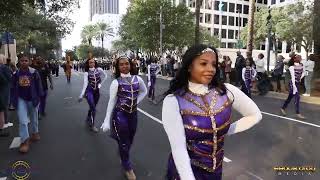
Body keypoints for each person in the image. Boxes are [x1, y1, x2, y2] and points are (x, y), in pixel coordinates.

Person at [162, 44, 262, 180]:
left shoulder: (227, 91)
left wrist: (227, 130)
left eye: (214, 64)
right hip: (184, 172)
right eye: (203, 63)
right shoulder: (173, 101)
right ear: (189, 67)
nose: (210, 69)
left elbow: (255, 115)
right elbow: (178, 149)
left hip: (216, 172)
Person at [101, 56, 147, 180]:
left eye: (126, 64)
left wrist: (136, 101)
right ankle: (127, 167)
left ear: (130, 65)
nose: (124, 66)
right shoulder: (116, 82)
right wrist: (106, 120)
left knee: (130, 139)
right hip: (120, 115)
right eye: (121, 64)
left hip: (133, 114)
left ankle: (123, 152)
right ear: (118, 67)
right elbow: (111, 101)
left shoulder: (138, 79)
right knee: (125, 142)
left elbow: (144, 91)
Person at [12, 54, 44, 153]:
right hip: (21, 99)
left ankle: (35, 132)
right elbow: (12, 88)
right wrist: (12, 100)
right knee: (23, 121)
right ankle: (25, 141)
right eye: (22, 61)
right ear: (19, 62)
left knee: (34, 117)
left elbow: (39, 86)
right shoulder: (16, 73)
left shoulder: (34, 72)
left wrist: (40, 97)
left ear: (29, 62)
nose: (24, 62)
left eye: (26, 60)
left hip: (33, 99)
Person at [78, 54, 107, 132]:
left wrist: (101, 84)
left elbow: (105, 76)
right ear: (88, 64)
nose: (92, 64)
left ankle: (88, 117)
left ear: (95, 63)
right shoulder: (86, 73)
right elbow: (85, 84)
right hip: (89, 91)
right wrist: (81, 95)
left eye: (93, 62)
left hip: (97, 91)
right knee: (93, 108)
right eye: (90, 62)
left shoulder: (99, 69)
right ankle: (92, 125)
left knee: (92, 107)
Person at [281, 54, 305, 119]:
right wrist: (294, 87)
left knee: (290, 97)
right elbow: (293, 77)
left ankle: (283, 108)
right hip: (293, 84)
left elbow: (303, 72)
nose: (300, 58)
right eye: (298, 57)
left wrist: (300, 78)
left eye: (300, 57)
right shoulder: (291, 67)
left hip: (297, 83)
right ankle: (298, 113)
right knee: (297, 97)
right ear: (294, 59)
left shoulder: (301, 65)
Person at [0, 54, 12, 137]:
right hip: (3, 90)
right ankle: (3, 124)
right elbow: (8, 79)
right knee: (3, 108)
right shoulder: (4, 68)